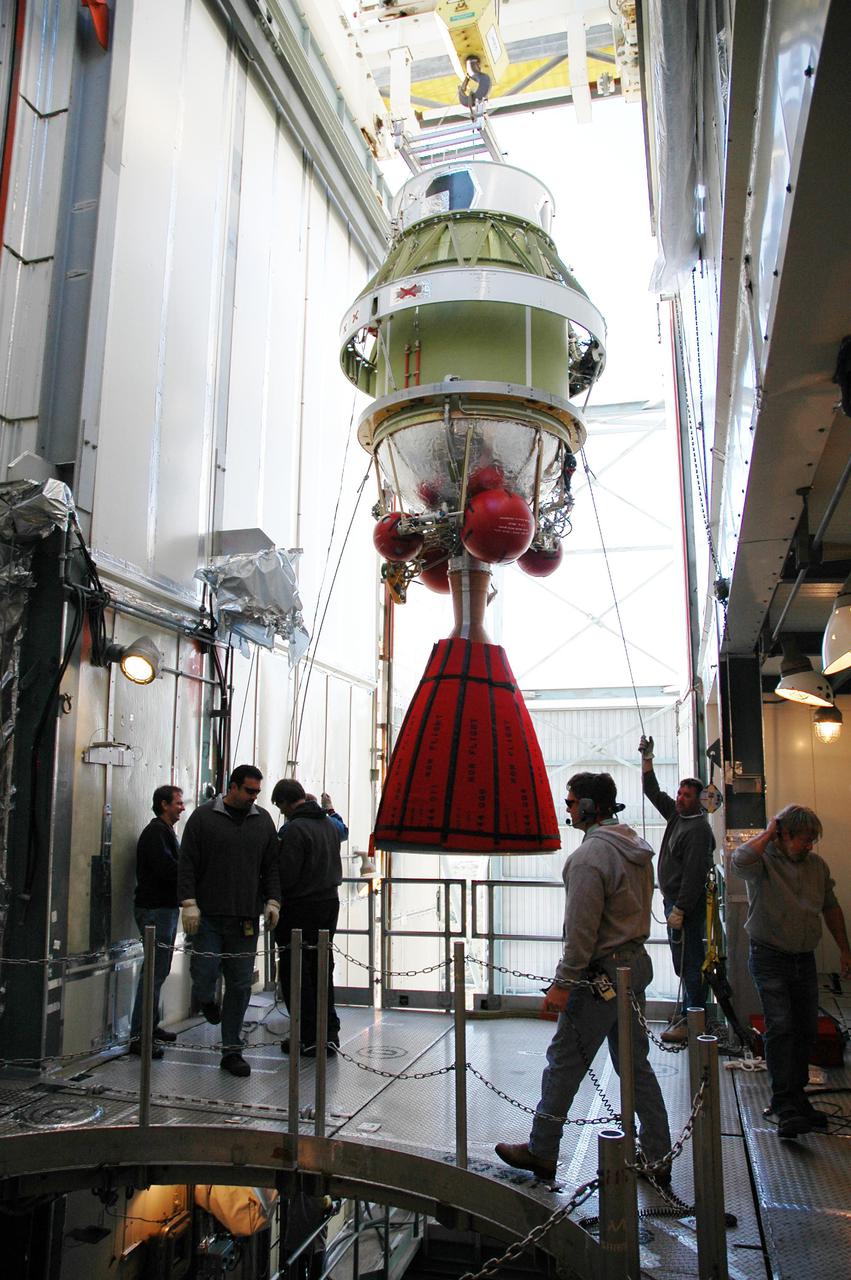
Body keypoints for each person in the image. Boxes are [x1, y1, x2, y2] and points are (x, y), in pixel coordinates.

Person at [495, 772, 672, 1183]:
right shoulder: (635, 850)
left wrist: (562, 983)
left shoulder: (590, 858)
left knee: (563, 1061)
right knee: (635, 1066)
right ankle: (659, 1155)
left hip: (598, 976)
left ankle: (542, 1150)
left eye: (572, 802)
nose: (568, 809)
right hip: (632, 968)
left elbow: (581, 931)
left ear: (590, 807)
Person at [733, 806, 851, 1139]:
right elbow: (740, 859)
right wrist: (770, 831)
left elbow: (830, 907)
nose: (810, 846)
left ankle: (798, 1098)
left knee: (805, 1028)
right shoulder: (764, 863)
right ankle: (784, 1103)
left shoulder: (816, 867)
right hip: (770, 955)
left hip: (804, 957)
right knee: (781, 1026)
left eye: (813, 840)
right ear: (784, 835)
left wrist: (844, 949)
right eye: (803, 839)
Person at [177, 765, 281, 1078]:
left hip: (245, 918)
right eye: (249, 791)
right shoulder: (203, 818)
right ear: (232, 787)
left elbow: (271, 866)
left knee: (239, 983)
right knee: (205, 971)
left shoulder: (263, 821)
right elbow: (187, 863)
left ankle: (231, 1050)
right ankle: (206, 998)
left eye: (257, 792)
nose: (253, 797)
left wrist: (273, 900)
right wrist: (188, 902)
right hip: (207, 915)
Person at [639, 735, 715, 1042]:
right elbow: (652, 792)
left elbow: (695, 874)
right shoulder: (676, 815)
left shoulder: (697, 829)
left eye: (686, 795)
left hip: (686, 906)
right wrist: (648, 759)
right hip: (674, 902)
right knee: (683, 960)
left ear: (698, 800)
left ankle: (693, 1018)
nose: (680, 798)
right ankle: (689, 1011)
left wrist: (681, 909)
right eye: (680, 793)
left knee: (690, 960)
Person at [272, 778, 343, 1058]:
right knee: (322, 969)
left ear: (286, 803)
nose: (281, 811)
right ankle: (329, 1033)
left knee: (296, 973)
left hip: (300, 908)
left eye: (280, 806)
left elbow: (287, 875)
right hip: (329, 904)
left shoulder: (294, 829)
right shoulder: (329, 825)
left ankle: (306, 1036)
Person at [128, 784, 185, 1058]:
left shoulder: (164, 833)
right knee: (153, 972)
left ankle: (149, 1027)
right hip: (156, 909)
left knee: (158, 971)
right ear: (164, 804)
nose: (182, 807)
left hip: (162, 908)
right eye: (178, 802)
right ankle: (140, 1035)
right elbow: (167, 869)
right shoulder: (156, 834)